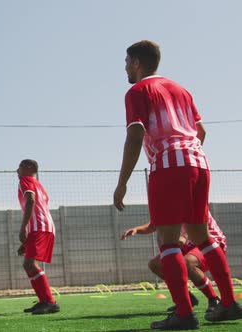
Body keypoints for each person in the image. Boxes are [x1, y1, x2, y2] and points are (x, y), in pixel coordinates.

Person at [113, 40, 242, 329]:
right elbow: (200, 131)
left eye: (126, 62)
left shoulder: (137, 91)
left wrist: (121, 183)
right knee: (202, 237)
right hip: (199, 162)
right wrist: (187, 155)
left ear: (136, 63)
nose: (124, 67)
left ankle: (184, 314)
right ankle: (230, 305)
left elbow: (135, 136)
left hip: (169, 166)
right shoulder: (181, 89)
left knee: (168, 242)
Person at [121, 212, 225, 313]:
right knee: (156, 264)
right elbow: (153, 225)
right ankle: (186, 298)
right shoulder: (166, 203)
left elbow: (189, 227)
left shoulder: (185, 197)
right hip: (188, 244)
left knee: (188, 262)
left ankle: (214, 299)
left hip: (209, 241)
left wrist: (180, 238)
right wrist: (137, 229)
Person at [16, 159, 59, 315]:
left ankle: (49, 302)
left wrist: (23, 229)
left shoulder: (25, 180)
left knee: (29, 264)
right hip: (44, 227)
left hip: (39, 227)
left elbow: (31, 201)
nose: (17, 171)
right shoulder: (40, 186)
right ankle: (43, 301)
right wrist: (27, 242)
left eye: (19, 167)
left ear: (29, 168)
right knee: (28, 264)